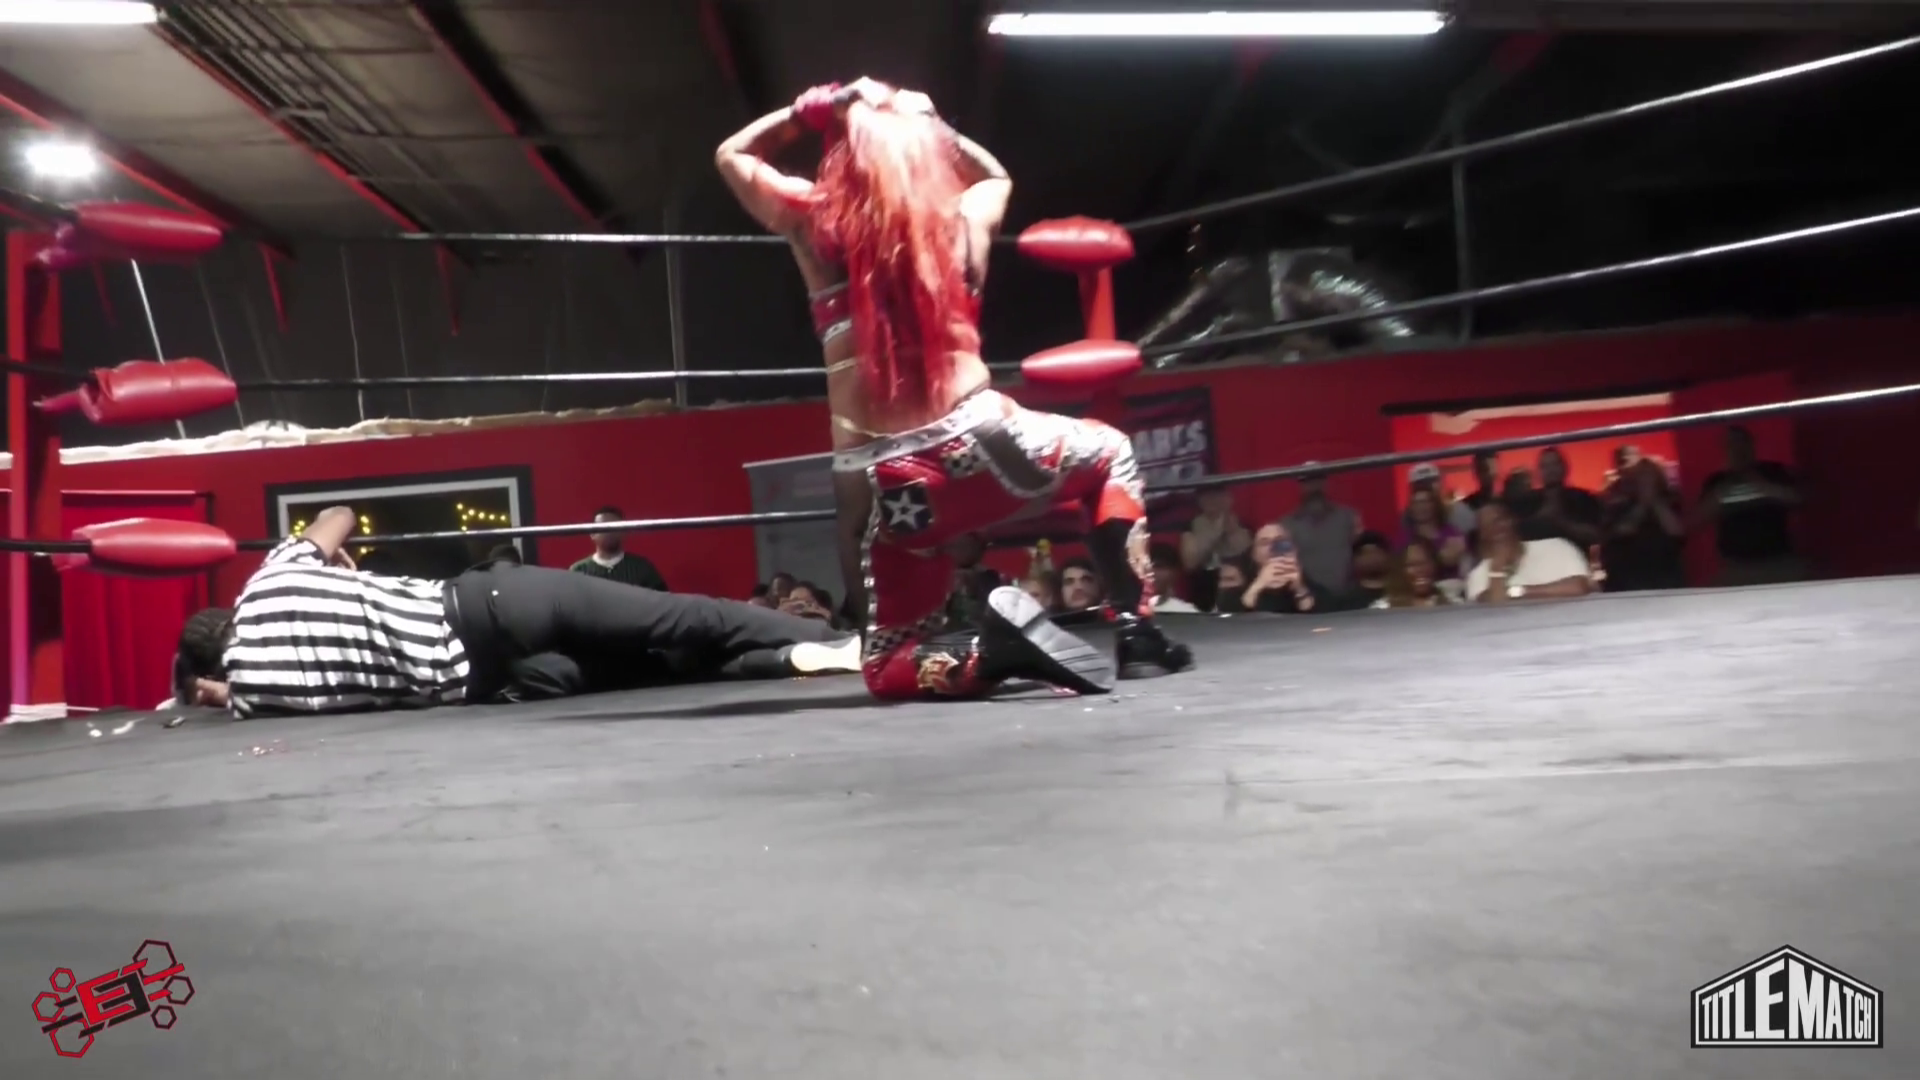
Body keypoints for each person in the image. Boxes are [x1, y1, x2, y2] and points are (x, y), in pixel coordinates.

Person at [716, 76, 1191, 699]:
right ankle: (1137, 632)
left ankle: (986, 656)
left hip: (893, 488)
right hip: (983, 445)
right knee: (1111, 452)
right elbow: (994, 176)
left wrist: (815, 109)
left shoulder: (814, 225)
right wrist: (936, 129)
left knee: (886, 667)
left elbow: (732, 155)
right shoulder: (963, 219)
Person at [171, 505, 861, 717]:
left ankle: (785, 660)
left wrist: (213, 690)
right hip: (489, 605)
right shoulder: (275, 576)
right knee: (681, 620)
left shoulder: (254, 696)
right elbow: (337, 514)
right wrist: (335, 561)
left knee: (668, 669)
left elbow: (223, 695)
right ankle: (839, 641)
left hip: (501, 684)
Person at [1465, 502, 1595, 604]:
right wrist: (1497, 568)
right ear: (1481, 535)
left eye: (1498, 520)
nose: (1495, 529)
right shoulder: (1478, 575)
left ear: (1512, 520)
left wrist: (1516, 591)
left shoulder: (1557, 546)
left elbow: (1578, 588)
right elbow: (1493, 607)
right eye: (1486, 526)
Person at [569, 506, 668, 590]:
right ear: (592, 534)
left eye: (615, 527)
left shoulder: (642, 568)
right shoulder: (578, 571)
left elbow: (662, 602)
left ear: (624, 532)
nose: (609, 532)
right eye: (603, 527)